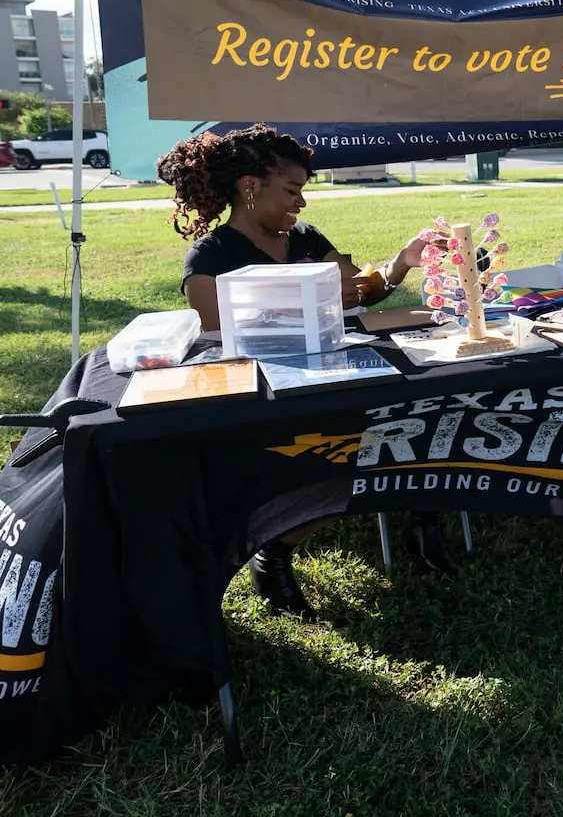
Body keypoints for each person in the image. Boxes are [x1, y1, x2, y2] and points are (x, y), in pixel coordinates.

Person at [156, 124, 462, 621]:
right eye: (292, 191)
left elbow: (358, 291)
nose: (300, 205)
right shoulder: (213, 256)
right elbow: (217, 327)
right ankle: (274, 551)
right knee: (323, 452)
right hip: (269, 387)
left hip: (338, 370)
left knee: (419, 408)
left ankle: (423, 512)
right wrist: (305, 304)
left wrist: (401, 264)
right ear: (250, 186)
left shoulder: (306, 238)